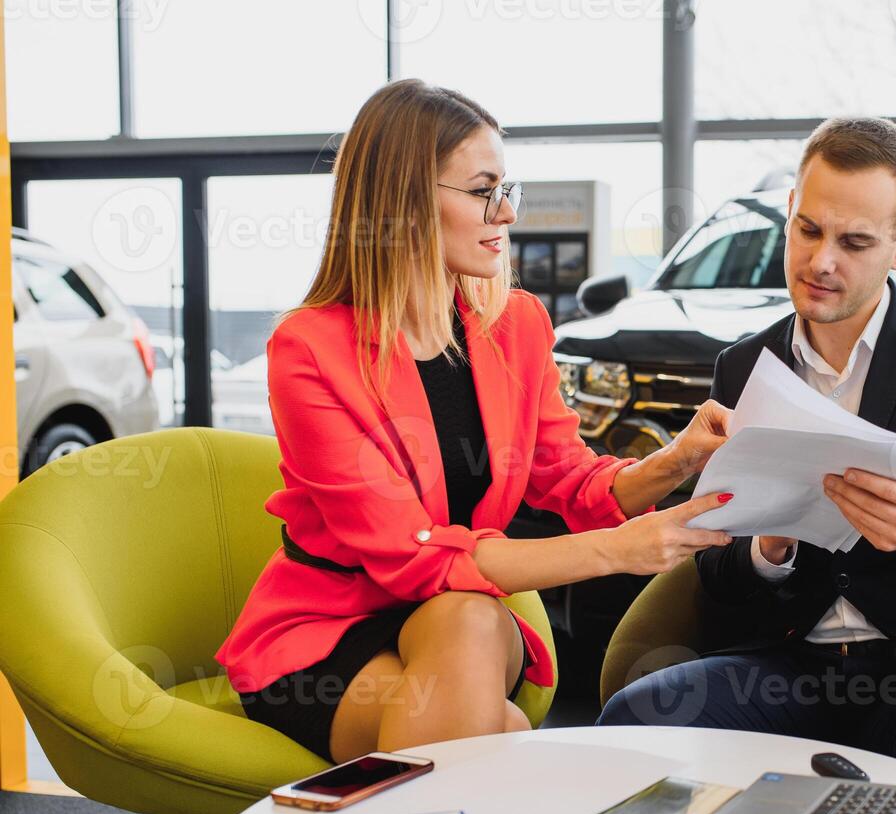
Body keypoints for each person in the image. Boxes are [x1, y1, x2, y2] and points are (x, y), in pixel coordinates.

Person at [215, 79, 734, 764]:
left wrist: (679, 461)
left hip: (468, 619)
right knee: (500, 735)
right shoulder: (309, 349)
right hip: (327, 634)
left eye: (506, 188)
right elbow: (411, 557)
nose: (508, 212)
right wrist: (619, 550)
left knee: (464, 629)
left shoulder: (514, 325)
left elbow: (567, 481)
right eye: (484, 190)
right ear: (402, 202)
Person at [597, 117, 896, 814]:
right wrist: (767, 549)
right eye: (807, 230)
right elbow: (714, 566)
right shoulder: (742, 366)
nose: (820, 261)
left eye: (854, 242)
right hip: (787, 667)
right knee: (634, 717)